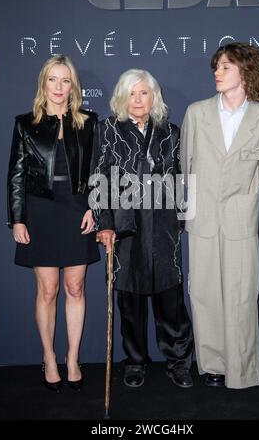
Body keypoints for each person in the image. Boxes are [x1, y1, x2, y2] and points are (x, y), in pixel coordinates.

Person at [180, 42, 259, 389]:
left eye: (225, 67)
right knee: (204, 295)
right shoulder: (196, 113)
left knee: (241, 295)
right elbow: (186, 167)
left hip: (240, 219)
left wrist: (239, 201)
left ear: (245, 71)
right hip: (203, 218)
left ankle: (243, 369)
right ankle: (212, 366)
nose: (217, 72)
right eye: (216, 67)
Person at [90, 69, 194, 388]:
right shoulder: (108, 129)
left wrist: (182, 220)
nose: (137, 100)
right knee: (130, 301)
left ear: (154, 97)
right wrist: (104, 224)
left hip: (163, 227)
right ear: (122, 97)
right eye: (131, 94)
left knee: (170, 300)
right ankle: (135, 361)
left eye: (144, 93)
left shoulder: (171, 132)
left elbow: (181, 178)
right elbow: (99, 176)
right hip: (125, 226)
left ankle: (178, 362)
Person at [7, 55, 100, 392]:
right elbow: (15, 175)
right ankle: (48, 357)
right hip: (40, 212)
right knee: (48, 290)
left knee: (75, 288)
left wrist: (95, 207)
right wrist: (17, 218)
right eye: (53, 80)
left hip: (78, 210)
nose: (59, 88)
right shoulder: (25, 123)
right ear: (43, 83)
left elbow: (97, 171)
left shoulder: (88, 121)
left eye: (65, 81)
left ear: (73, 86)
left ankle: (72, 358)